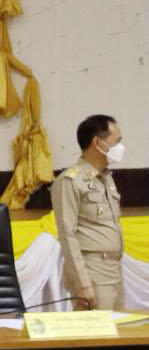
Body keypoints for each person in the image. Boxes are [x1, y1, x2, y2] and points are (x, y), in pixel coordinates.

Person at [51, 115, 125, 311]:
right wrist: (82, 283)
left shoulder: (106, 178)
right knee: (98, 329)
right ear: (97, 143)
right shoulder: (70, 180)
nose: (120, 147)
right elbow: (67, 235)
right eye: (116, 141)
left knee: (121, 327)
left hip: (114, 269)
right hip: (92, 272)